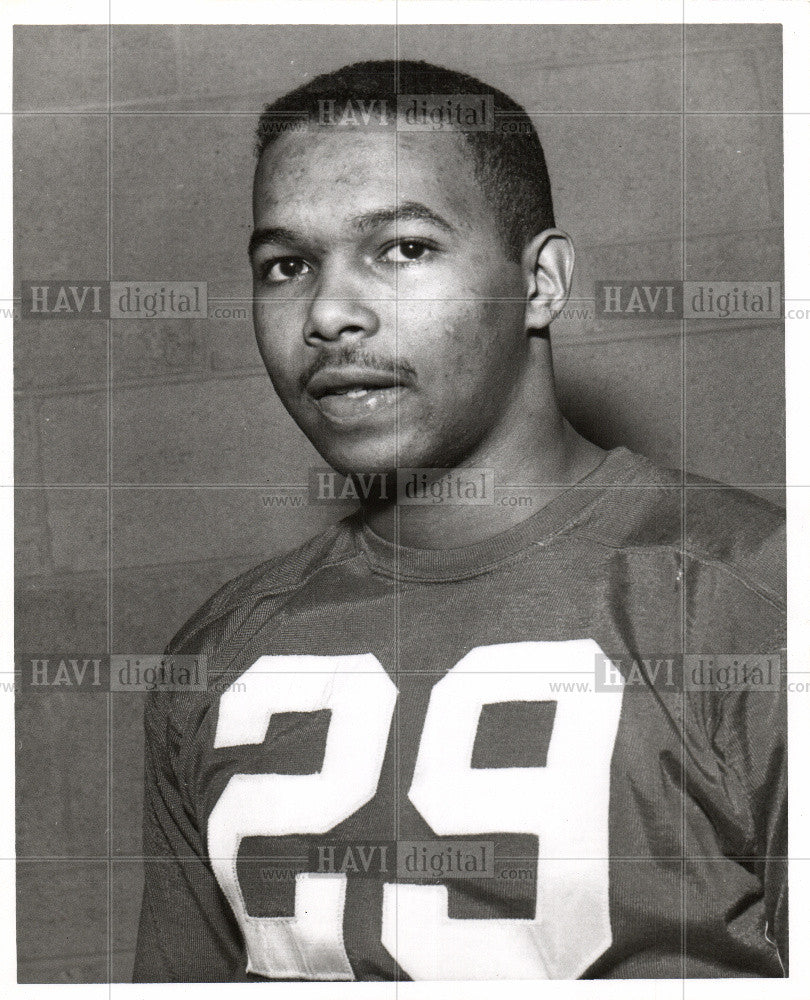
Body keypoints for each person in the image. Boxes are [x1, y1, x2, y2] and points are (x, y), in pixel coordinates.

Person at [133, 60, 786, 982]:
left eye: (402, 249)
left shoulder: (752, 598)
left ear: (542, 281)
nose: (327, 314)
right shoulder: (217, 654)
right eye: (287, 265)